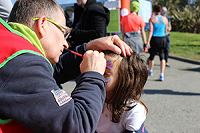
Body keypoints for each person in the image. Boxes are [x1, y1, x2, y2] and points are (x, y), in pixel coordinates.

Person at [0, 0, 132, 132]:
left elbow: (48, 75)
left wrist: (87, 47)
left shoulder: (11, 50)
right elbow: (77, 125)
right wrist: (93, 75)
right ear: (43, 24)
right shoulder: (22, 64)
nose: (66, 43)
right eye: (64, 33)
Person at [95, 50, 148, 133]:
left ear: (125, 80)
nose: (96, 75)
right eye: (97, 70)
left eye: (105, 73)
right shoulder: (93, 98)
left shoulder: (133, 110)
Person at [146, 4, 168, 81]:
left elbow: (150, 31)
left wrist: (148, 41)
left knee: (152, 56)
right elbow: (166, 31)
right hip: (163, 39)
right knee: (162, 56)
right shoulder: (165, 19)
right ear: (160, 11)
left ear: (154, 11)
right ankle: (162, 74)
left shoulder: (152, 19)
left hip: (155, 39)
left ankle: (150, 70)